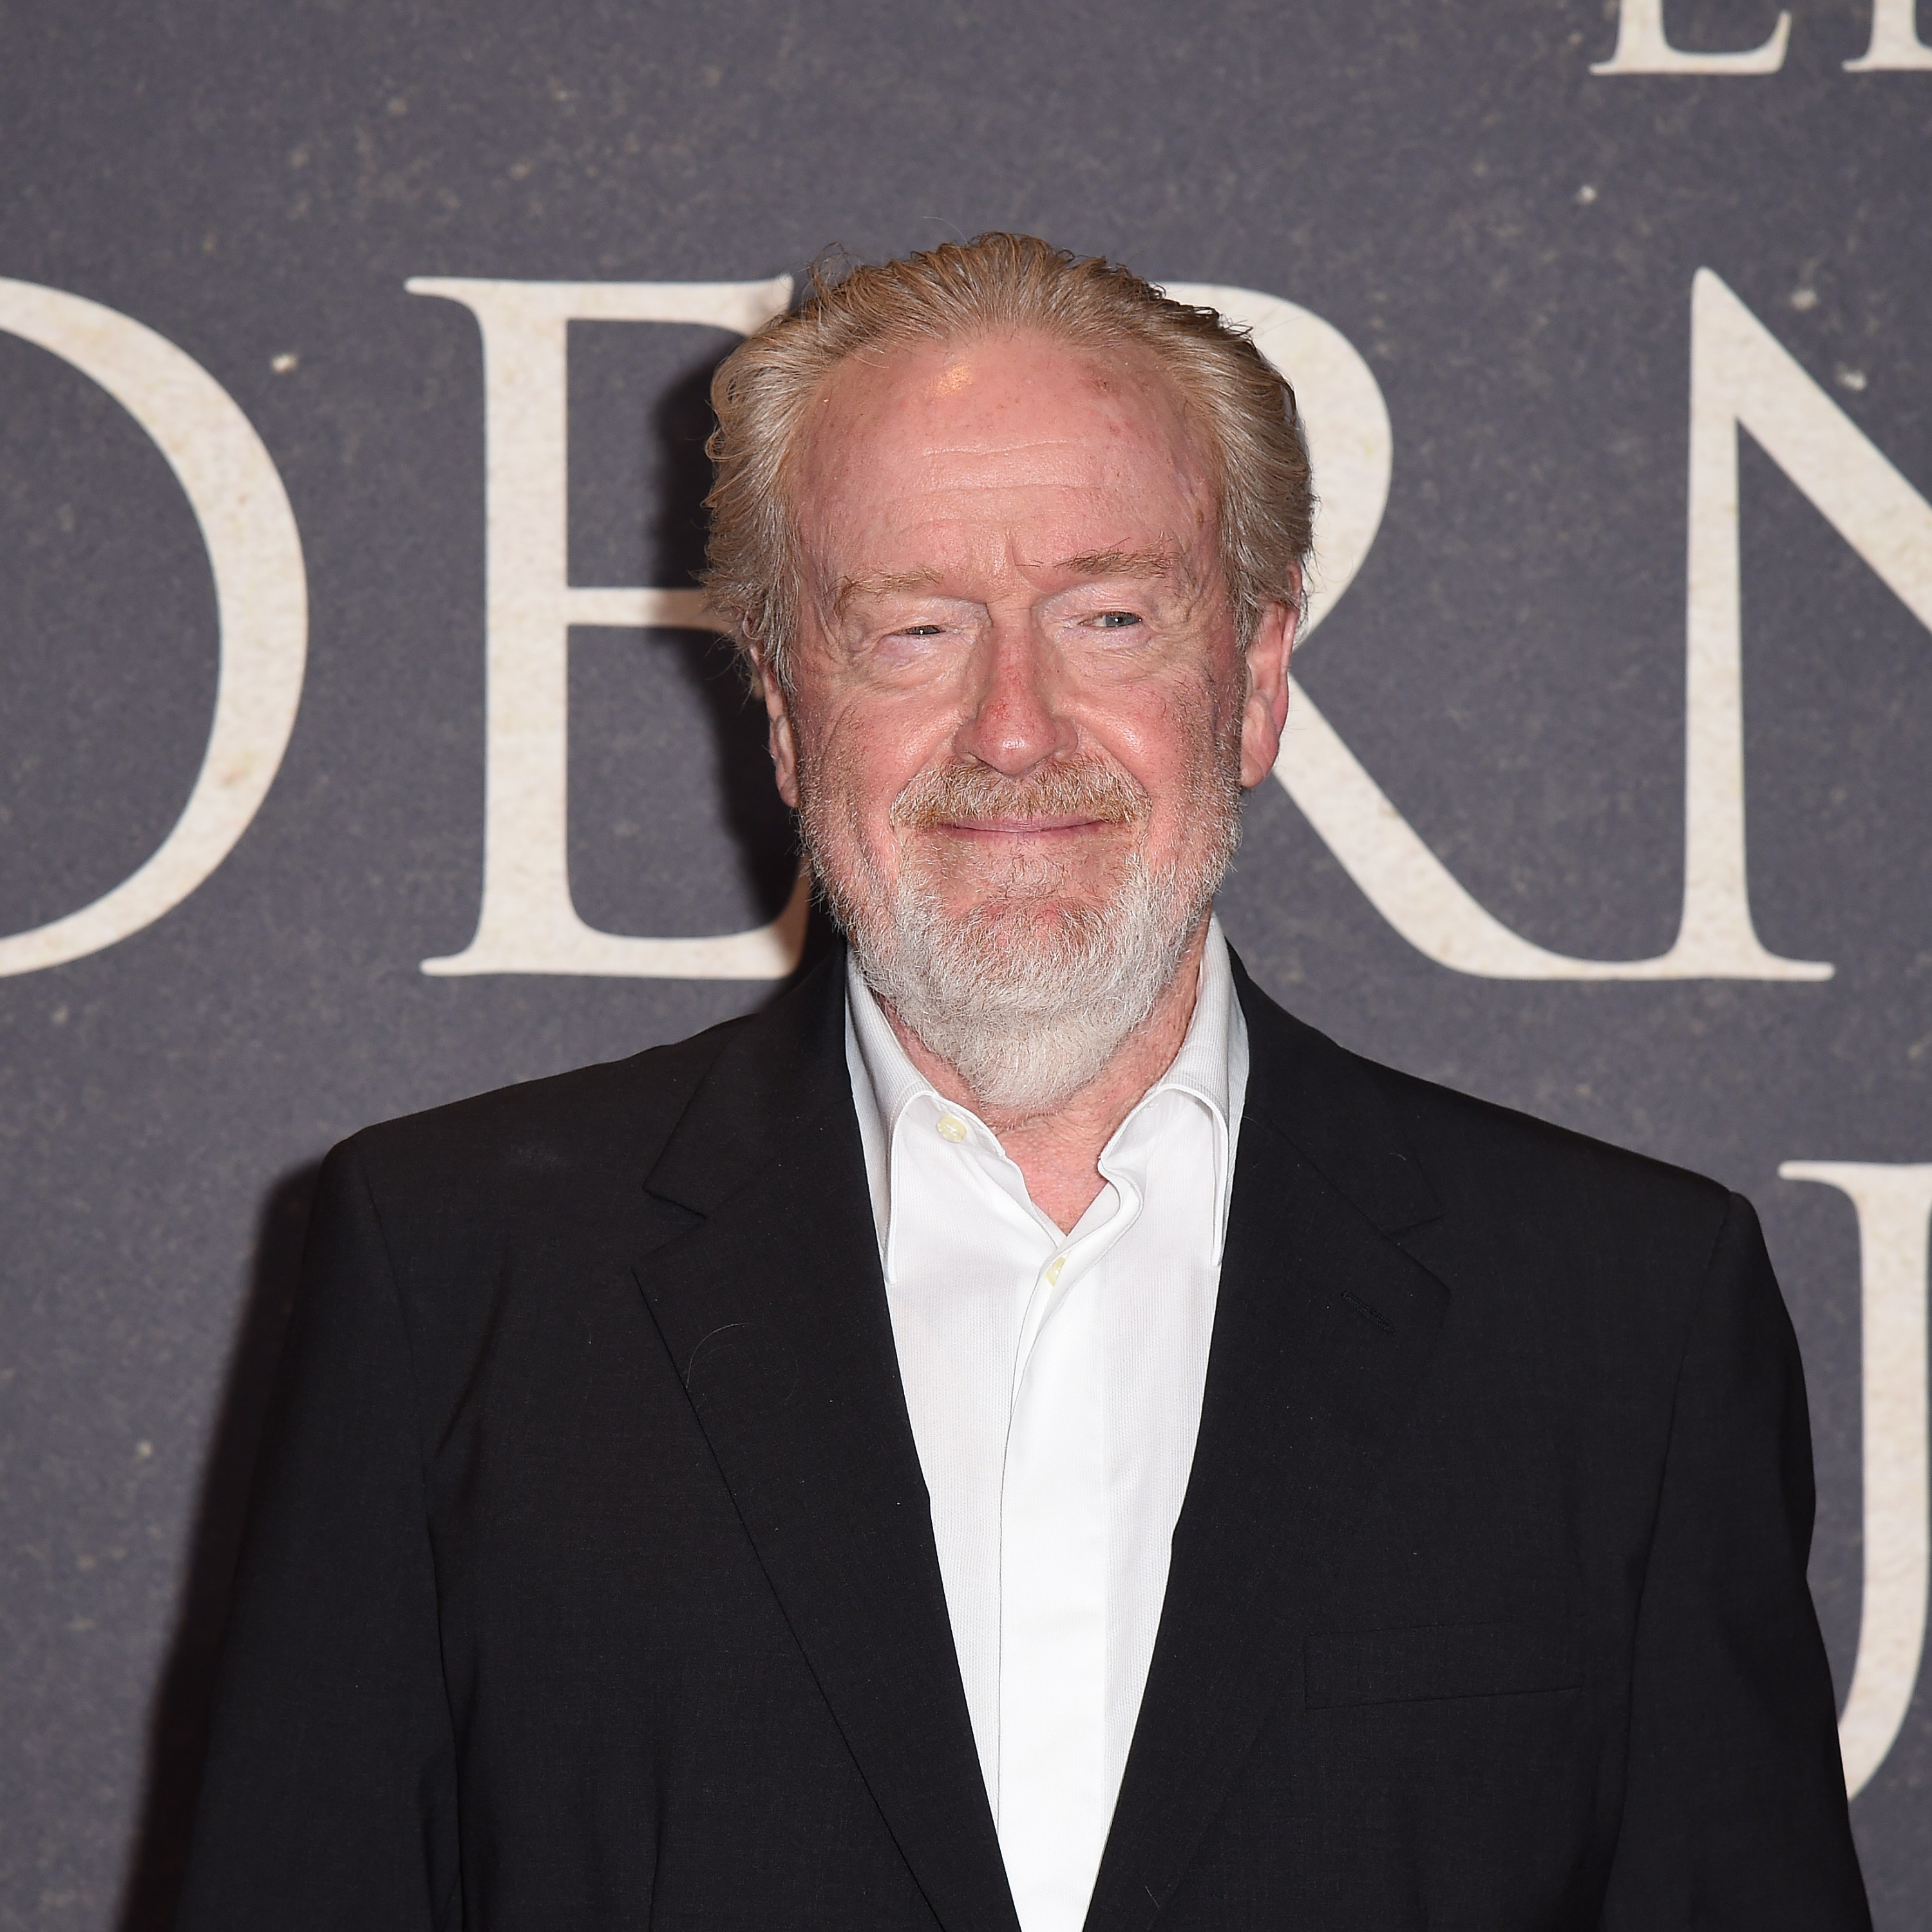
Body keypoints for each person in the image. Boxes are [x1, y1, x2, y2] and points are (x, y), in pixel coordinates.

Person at [176, 234, 1869, 1931]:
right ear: (781, 708)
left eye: (1111, 615)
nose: (1012, 727)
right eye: (914, 627)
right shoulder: (454, 1280)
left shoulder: (1617, 1319)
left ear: (1258, 682)